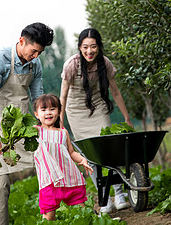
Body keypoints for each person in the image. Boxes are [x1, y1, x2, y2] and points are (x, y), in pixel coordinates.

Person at [0, 22, 54, 225]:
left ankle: (48, 220)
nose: (36, 56)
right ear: (21, 41)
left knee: (46, 169)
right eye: (33, 51)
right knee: (1, 183)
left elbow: (38, 99)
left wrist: (46, 128)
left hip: (23, 126)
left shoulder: (35, 64)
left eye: (40, 52)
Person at [60, 28, 133, 214]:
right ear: (79, 47)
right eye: (85, 47)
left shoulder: (105, 63)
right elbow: (63, 97)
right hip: (76, 112)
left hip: (98, 107)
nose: (89, 51)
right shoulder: (71, 65)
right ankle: (105, 199)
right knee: (90, 157)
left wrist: (127, 117)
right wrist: (59, 123)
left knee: (108, 149)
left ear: (99, 47)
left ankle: (119, 194)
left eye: (93, 47)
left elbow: (115, 92)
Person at [33, 93, 93, 221]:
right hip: (49, 180)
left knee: (82, 209)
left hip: (69, 177)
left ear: (59, 112)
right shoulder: (36, 131)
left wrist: (82, 159)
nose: (48, 113)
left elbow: (71, 152)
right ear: (37, 114)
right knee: (49, 215)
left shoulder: (63, 132)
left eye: (52, 109)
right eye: (43, 110)